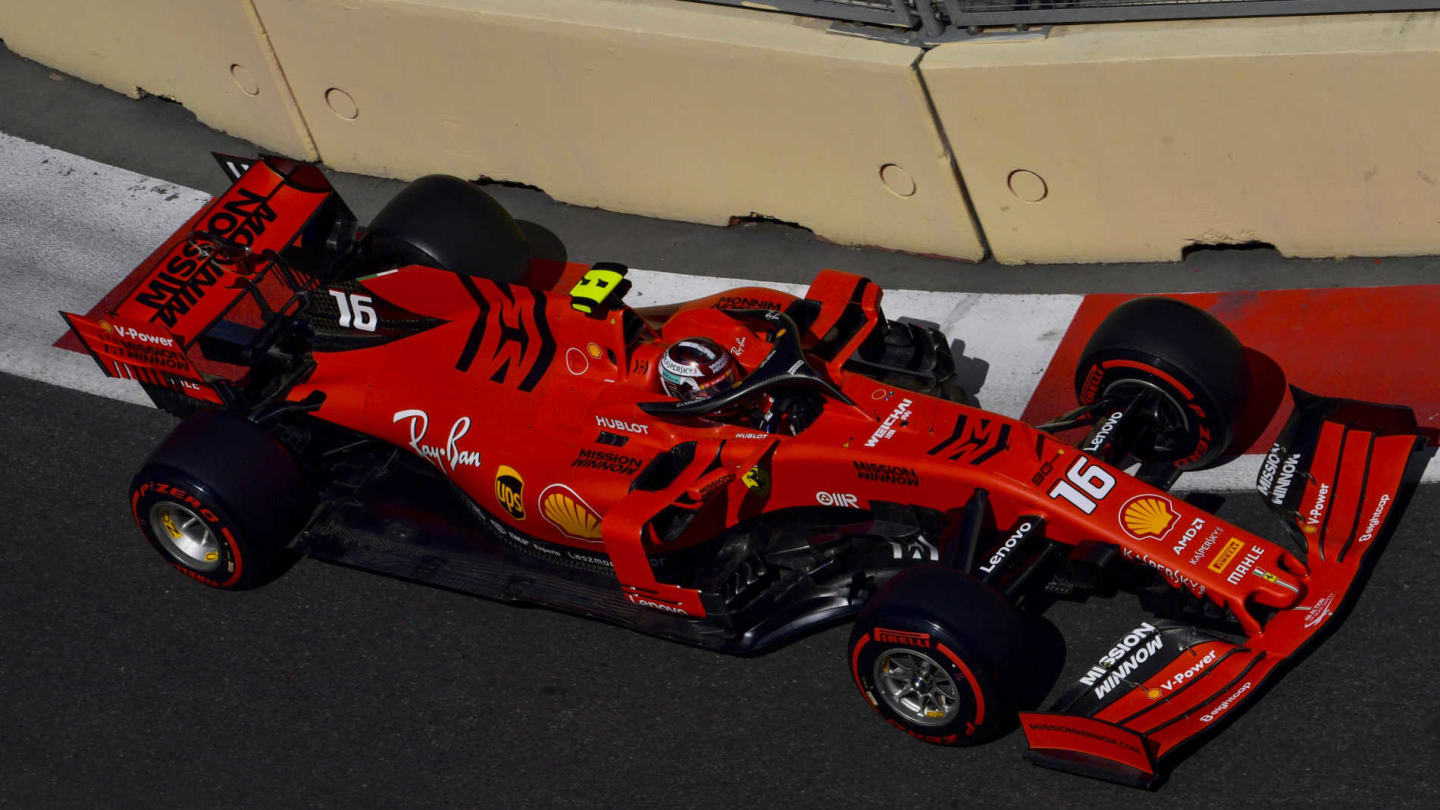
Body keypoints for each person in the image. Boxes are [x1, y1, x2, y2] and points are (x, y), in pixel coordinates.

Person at [658, 337, 821, 435]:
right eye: (712, 388)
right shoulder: (688, 431)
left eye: (729, 379)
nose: (728, 390)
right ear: (681, 393)